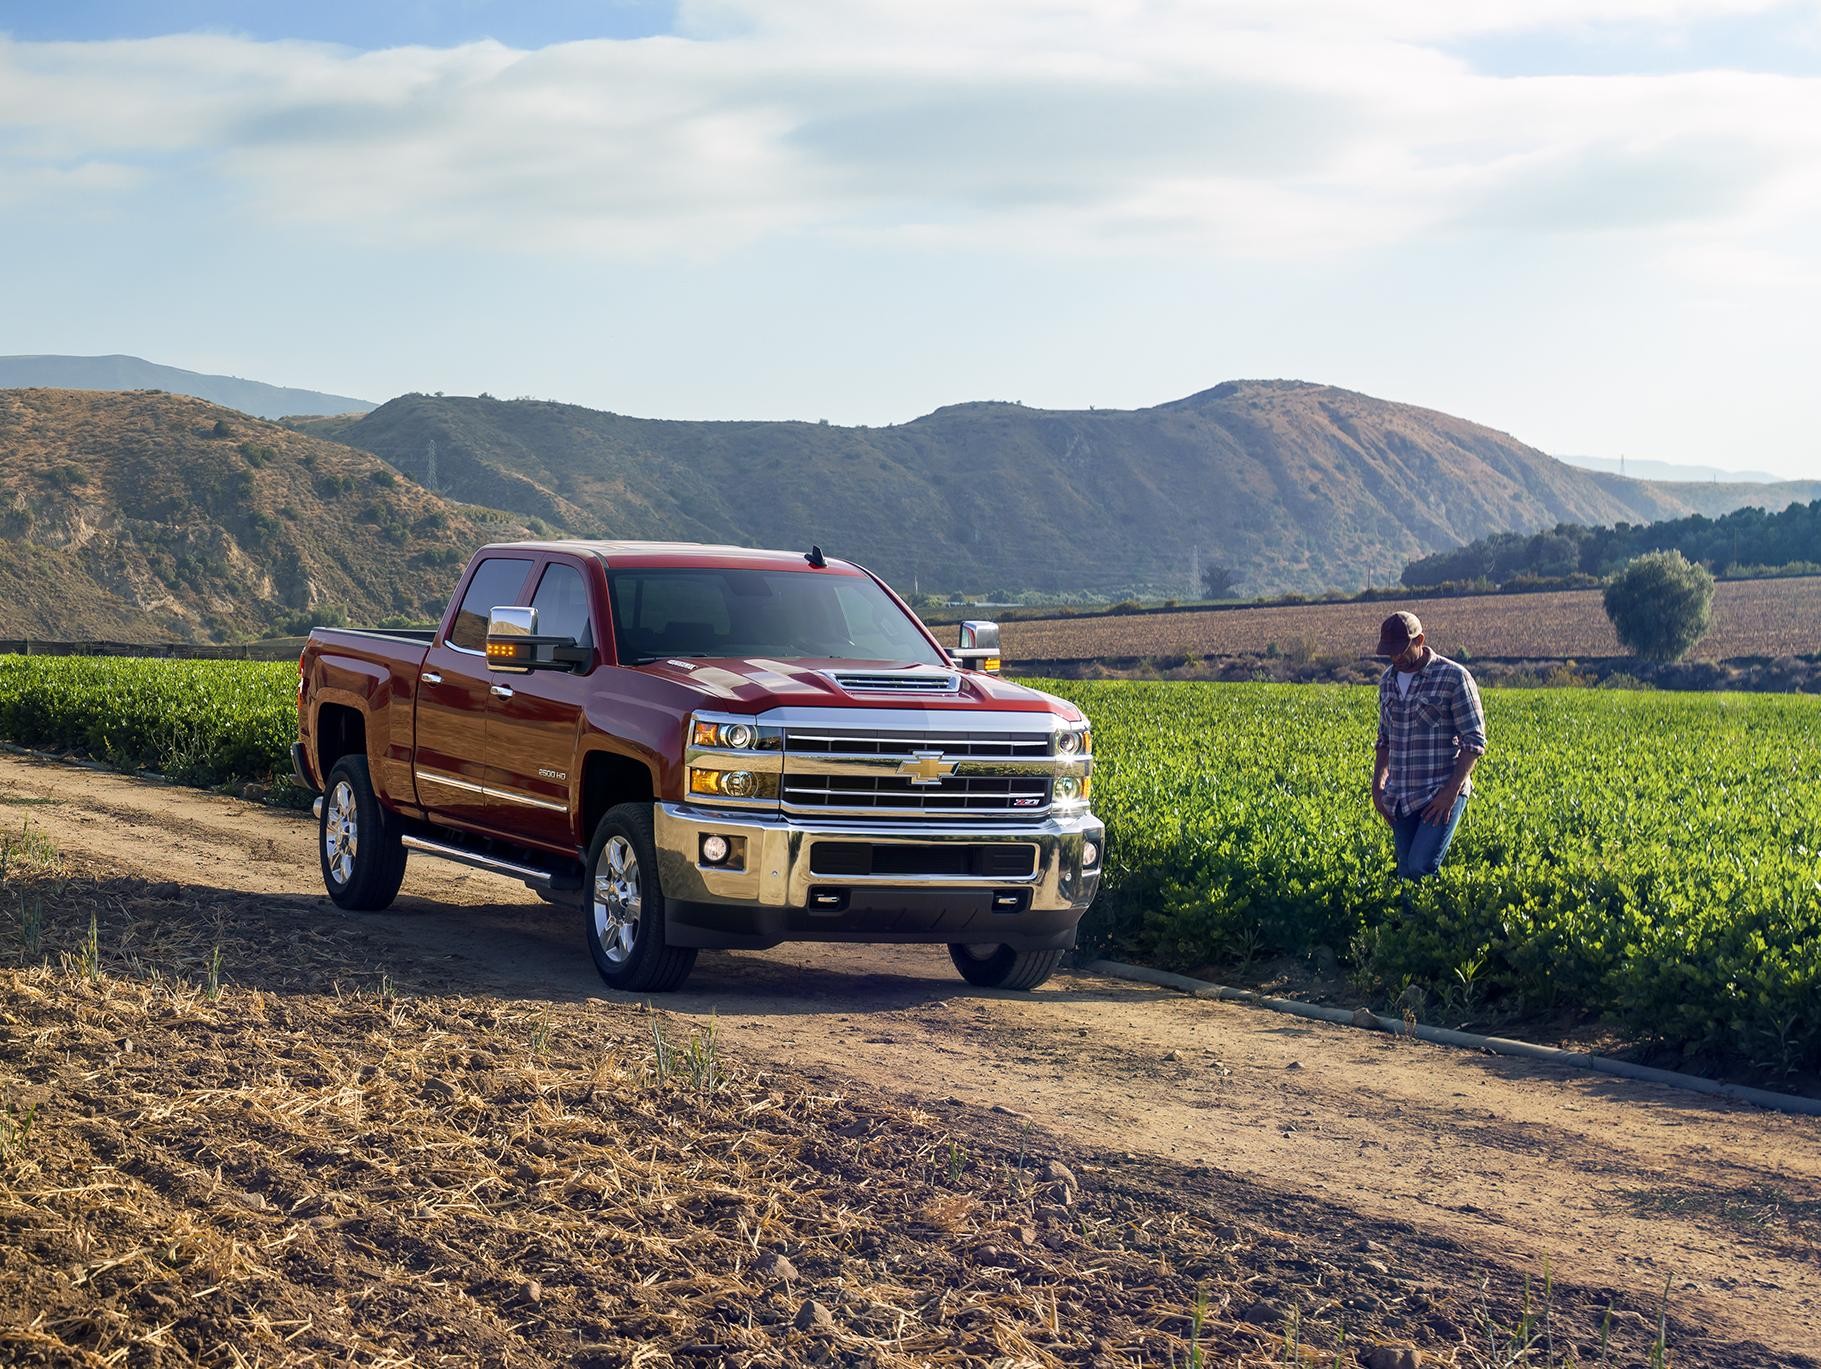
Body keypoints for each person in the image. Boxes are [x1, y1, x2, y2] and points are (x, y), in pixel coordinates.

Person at [1371, 611, 1486, 880]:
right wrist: (1378, 786)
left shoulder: (1453, 677)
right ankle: (1412, 922)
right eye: (1389, 652)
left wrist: (1450, 792)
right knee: (1405, 872)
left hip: (1439, 793)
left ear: (1419, 640)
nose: (1395, 658)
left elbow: (1474, 741)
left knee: (1421, 867)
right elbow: (1384, 739)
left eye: (1400, 650)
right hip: (1401, 796)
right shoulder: (1388, 681)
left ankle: (1426, 921)